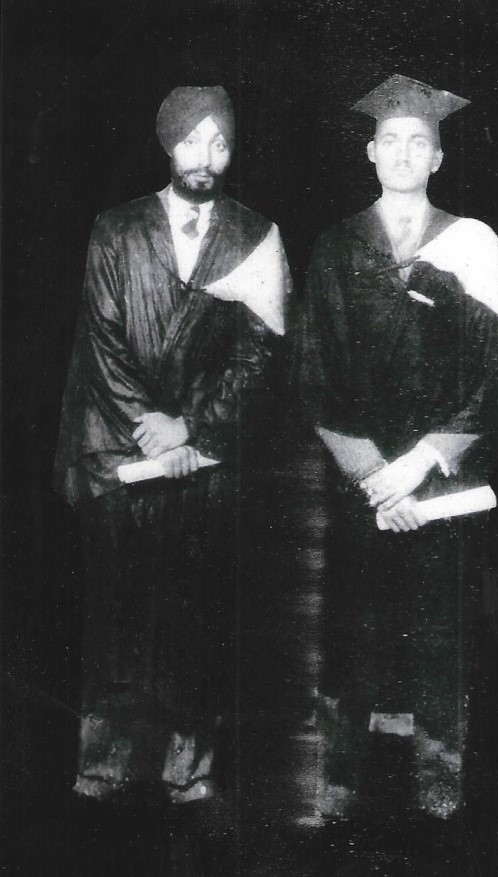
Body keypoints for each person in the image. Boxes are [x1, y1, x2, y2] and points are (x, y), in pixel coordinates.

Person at [296, 74, 498, 823]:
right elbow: (314, 378)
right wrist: (375, 476)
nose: (403, 154)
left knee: (440, 637)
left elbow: (496, 383)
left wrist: (420, 464)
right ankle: (341, 790)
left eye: (419, 143)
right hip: (362, 488)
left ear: (438, 158)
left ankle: (438, 792)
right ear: (371, 153)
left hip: (443, 487)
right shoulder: (336, 248)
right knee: (353, 634)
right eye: (390, 141)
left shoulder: (474, 244)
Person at [55, 86, 291, 807]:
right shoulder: (116, 229)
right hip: (121, 449)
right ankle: (104, 765)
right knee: (118, 610)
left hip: (205, 454)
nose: (205, 157)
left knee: (196, 613)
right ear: (167, 144)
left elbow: (261, 352)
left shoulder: (256, 235)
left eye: (219, 142)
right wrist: (150, 425)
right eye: (191, 141)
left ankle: (188, 768)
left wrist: (192, 427)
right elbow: (101, 341)